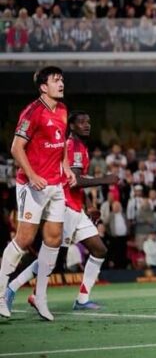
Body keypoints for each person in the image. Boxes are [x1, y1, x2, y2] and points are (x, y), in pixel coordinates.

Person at [6, 111, 118, 312]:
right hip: (64, 207)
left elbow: (72, 181)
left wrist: (87, 206)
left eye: (88, 121)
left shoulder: (80, 146)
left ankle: (82, 299)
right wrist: (105, 180)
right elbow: (74, 181)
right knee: (54, 261)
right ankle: (12, 288)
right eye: (81, 122)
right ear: (71, 126)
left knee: (99, 250)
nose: (87, 125)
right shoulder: (71, 146)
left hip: (76, 209)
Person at [0, 66, 77, 321]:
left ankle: (40, 296)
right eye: (56, 80)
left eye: (62, 79)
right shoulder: (32, 112)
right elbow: (15, 147)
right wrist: (32, 176)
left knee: (54, 239)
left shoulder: (64, 110)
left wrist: (65, 167)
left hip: (55, 184)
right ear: (43, 87)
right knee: (24, 239)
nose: (61, 83)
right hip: (31, 185)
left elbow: (62, 143)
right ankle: (0, 293)